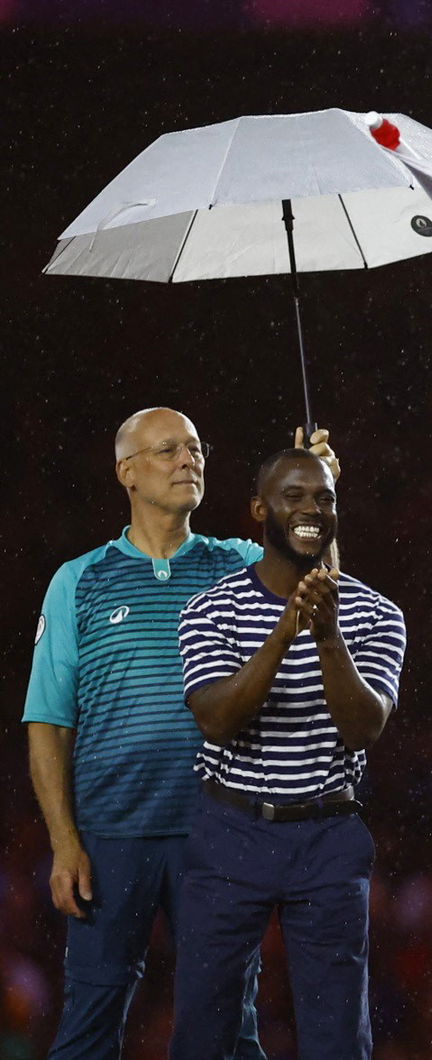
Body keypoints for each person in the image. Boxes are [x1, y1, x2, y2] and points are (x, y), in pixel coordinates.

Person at [22, 407, 336, 1058]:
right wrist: (63, 841)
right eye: (168, 450)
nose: (188, 459)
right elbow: (49, 724)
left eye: (195, 448)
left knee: (227, 1024)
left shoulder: (241, 565)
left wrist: (317, 493)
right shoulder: (79, 581)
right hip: (111, 839)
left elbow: (322, 597)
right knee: (89, 1025)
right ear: (127, 472)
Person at [169, 447, 405, 1060]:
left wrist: (327, 637)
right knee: (203, 1029)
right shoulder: (209, 607)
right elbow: (217, 719)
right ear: (259, 510)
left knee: (337, 1039)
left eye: (323, 498)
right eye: (293, 496)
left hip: (327, 832)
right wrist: (283, 631)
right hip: (231, 830)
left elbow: (363, 729)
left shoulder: (378, 613)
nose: (311, 509)